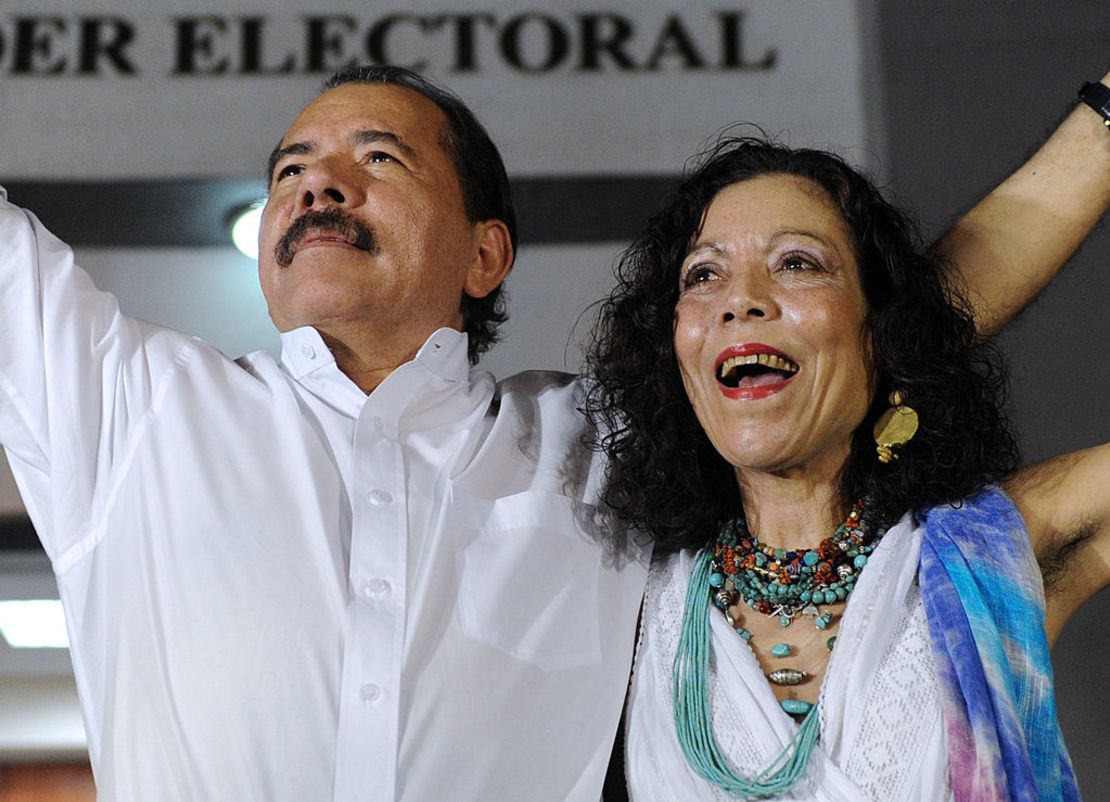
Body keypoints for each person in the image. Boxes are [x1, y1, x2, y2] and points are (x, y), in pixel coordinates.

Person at [0, 64, 1105, 800]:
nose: (317, 183)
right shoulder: (127, 407)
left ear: (486, 255)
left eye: (377, 159)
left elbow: (880, 326)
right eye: (290, 168)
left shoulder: (596, 447)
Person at [584, 78, 1110, 800]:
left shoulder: (987, 559)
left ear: (884, 334)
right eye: (703, 274)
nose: (740, 299)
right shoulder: (622, 589)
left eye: (798, 263)